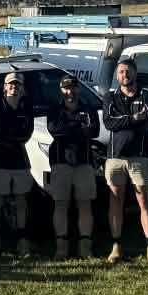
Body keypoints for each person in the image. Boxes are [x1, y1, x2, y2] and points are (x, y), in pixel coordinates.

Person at [103, 56, 148, 264]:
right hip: (115, 158)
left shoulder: (147, 97)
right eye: (120, 72)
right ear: (116, 75)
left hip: (139, 157)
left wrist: (125, 121)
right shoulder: (111, 98)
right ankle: (116, 245)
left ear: (135, 73)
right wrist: (134, 118)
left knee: (144, 201)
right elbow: (110, 123)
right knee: (115, 200)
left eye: (127, 71)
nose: (124, 75)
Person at [44, 74, 100, 261]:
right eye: (66, 88)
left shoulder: (88, 108)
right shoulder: (54, 109)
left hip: (84, 162)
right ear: (61, 90)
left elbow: (94, 131)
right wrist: (78, 128)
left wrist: (70, 127)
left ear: (79, 89)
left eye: (73, 88)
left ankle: (85, 248)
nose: (70, 92)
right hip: (61, 162)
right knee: (61, 204)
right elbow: (55, 130)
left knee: (85, 204)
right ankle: (61, 248)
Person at [0, 71, 37, 258]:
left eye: (17, 85)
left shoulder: (26, 106)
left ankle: (23, 242)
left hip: (20, 160)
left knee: (22, 199)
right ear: (5, 87)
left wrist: (10, 136)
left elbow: (27, 132)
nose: (14, 87)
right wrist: (12, 137)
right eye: (10, 84)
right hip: (0, 160)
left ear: (22, 88)